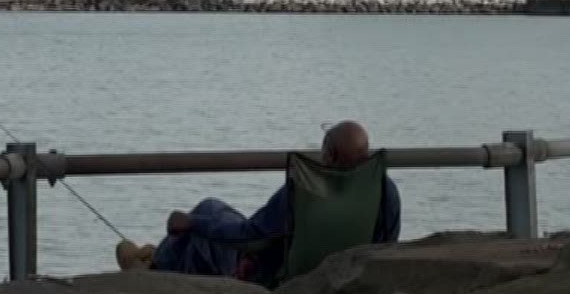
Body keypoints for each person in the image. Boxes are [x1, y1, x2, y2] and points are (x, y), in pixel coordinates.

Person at [119, 121, 401, 283]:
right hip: (343, 276)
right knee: (213, 214)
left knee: (205, 213)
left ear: (330, 155)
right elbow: (385, 245)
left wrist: (191, 222)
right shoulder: (384, 191)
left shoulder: (306, 189)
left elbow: (251, 237)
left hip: (274, 276)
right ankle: (157, 259)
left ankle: (150, 269)